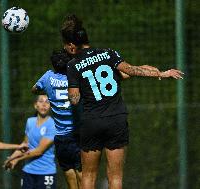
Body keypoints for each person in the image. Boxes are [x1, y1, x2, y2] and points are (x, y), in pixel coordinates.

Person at [61, 14, 184, 189]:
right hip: (116, 119)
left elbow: (75, 100)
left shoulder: (73, 65)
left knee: (88, 176)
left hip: (92, 122)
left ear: (72, 46)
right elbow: (131, 70)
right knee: (116, 177)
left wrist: (75, 88)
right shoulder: (108, 53)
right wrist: (160, 73)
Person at [31, 50, 82, 189]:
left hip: (60, 137)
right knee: (82, 175)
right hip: (76, 135)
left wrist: (48, 90)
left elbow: (34, 89)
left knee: (70, 175)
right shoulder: (75, 77)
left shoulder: (47, 77)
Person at [4, 95, 57, 189]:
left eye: (47, 102)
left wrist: (17, 159)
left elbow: (39, 151)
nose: (44, 104)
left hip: (46, 172)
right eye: (41, 101)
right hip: (28, 171)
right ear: (35, 105)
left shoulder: (52, 125)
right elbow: (25, 145)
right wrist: (11, 159)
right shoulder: (30, 122)